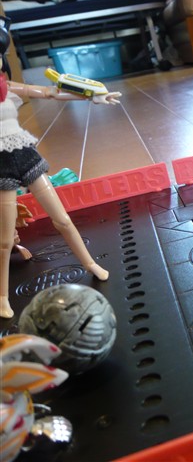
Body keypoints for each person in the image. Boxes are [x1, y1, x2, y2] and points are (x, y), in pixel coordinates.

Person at [0, 16, 121, 318]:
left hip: (25, 156)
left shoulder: (8, 87)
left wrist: (93, 96)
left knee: (63, 219)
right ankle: (2, 296)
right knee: (4, 239)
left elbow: (51, 92)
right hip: (1, 168)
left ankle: (90, 263)